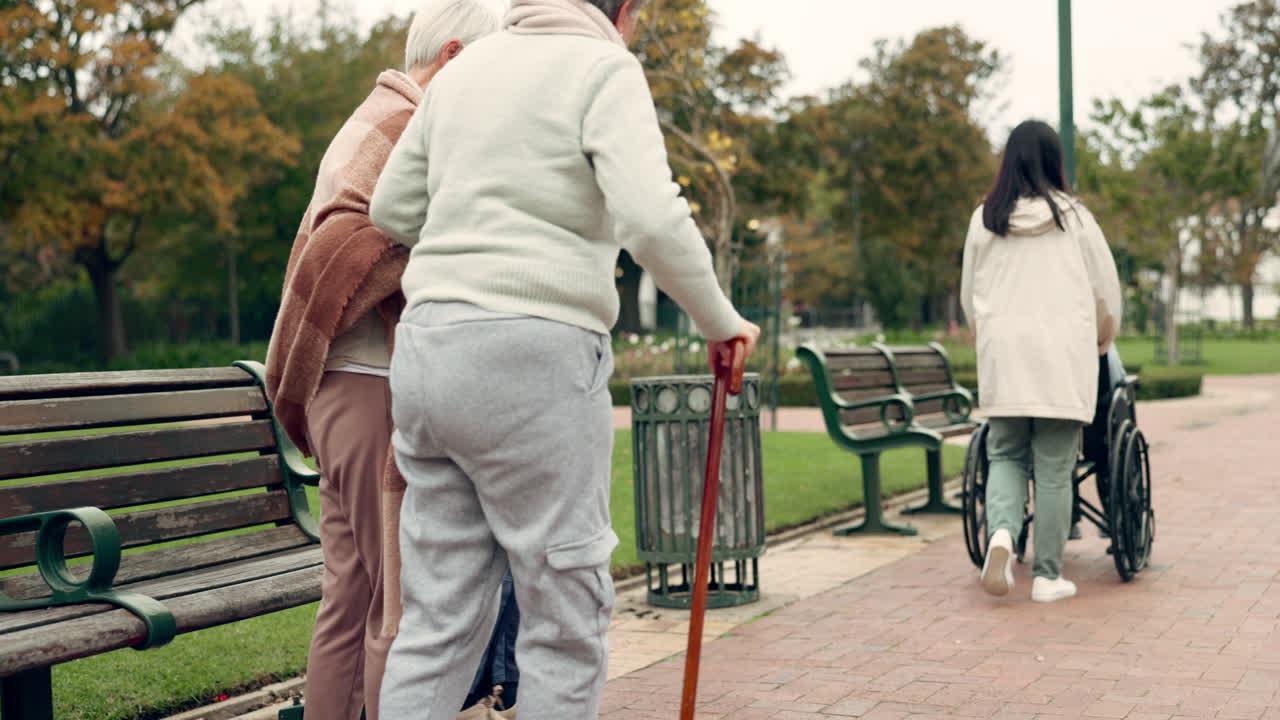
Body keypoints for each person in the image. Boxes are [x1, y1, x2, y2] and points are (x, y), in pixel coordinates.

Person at [368, 0, 761, 716]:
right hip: (536, 355)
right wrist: (720, 321)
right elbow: (651, 218)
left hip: (430, 349)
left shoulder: (463, 71)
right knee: (563, 619)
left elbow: (390, 209)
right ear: (625, 11)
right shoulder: (603, 65)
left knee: (436, 622)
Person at [262, 2, 519, 718]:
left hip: (339, 390)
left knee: (348, 603)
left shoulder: (373, 116)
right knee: (399, 613)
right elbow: (355, 247)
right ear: (455, 55)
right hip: (374, 390)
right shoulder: (409, 125)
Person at [961, 119, 1123, 604]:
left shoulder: (984, 220)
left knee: (1005, 455)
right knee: (1054, 468)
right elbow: (1105, 293)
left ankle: (1002, 535)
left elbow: (970, 297)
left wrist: (987, 339)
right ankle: (1048, 577)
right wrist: (1101, 340)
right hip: (1061, 358)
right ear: (1055, 162)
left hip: (1004, 358)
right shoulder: (1077, 220)